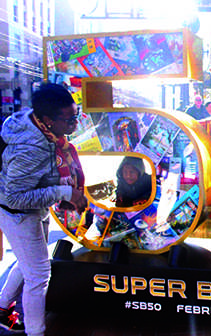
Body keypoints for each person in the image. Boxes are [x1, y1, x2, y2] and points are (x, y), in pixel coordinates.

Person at [0, 83, 88, 335]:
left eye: (77, 114)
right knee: (38, 276)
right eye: (70, 119)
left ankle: (3, 307)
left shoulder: (36, 124)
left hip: (30, 209)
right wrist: (64, 192)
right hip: (17, 213)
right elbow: (16, 198)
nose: (75, 124)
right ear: (48, 120)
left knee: (29, 262)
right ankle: (35, 331)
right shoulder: (31, 147)